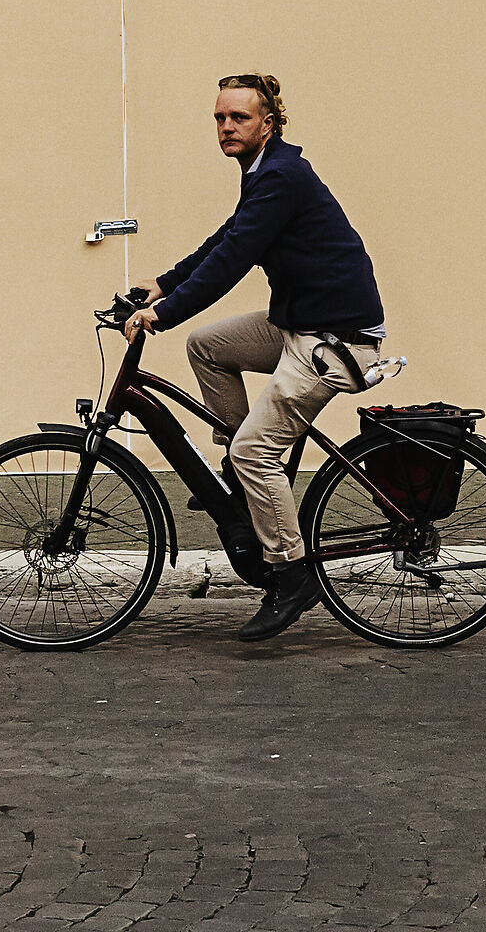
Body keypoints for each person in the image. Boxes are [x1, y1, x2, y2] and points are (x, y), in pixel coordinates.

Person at [124, 74, 387, 643]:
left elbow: (234, 260)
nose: (226, 128)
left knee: (254, 450)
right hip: (300, 322)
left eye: (238, 118)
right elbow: (228, 237)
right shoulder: (263, 172)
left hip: (334, 339)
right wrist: (163, 283)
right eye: (219, 118)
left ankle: (292, 575)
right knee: (209, 347)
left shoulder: (282, 176)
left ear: (268, 121)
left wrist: (164, 314)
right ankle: (246, 480)